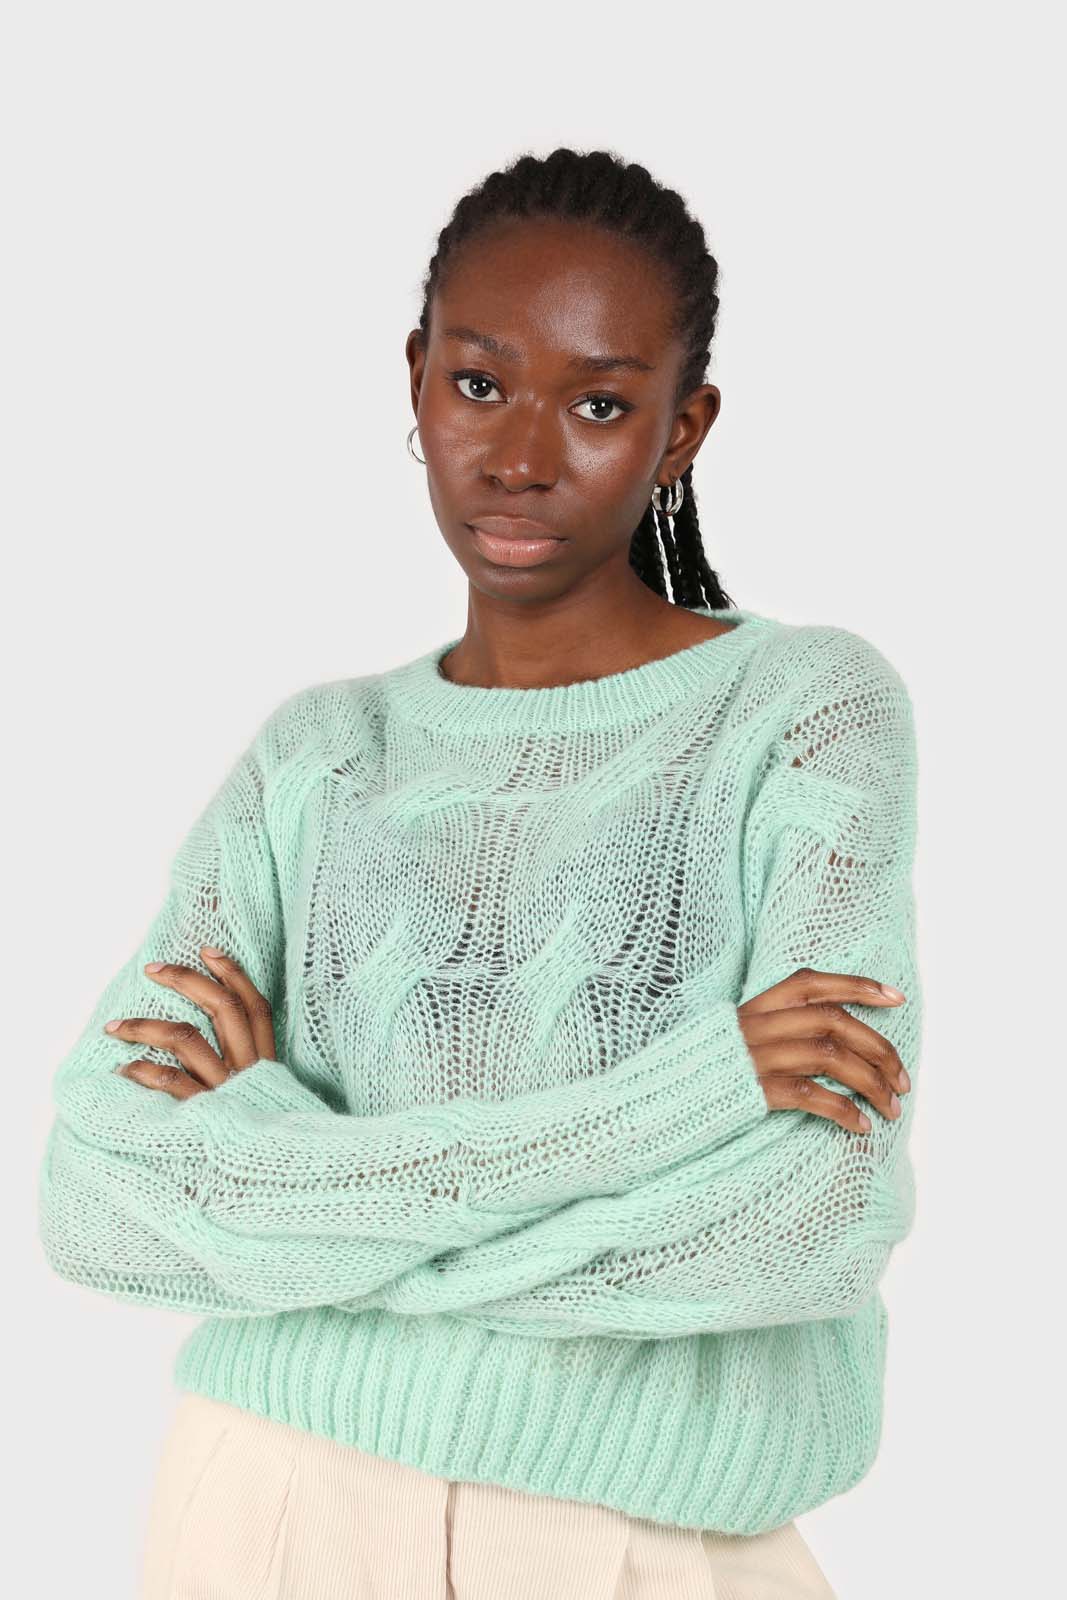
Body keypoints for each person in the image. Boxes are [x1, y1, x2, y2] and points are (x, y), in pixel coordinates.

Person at [37, 146, 921, 1599]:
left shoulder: (804, 715)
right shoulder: (319, 754)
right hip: (272, 1506)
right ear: (416, 381)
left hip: (650, 1539)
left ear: (683, 429)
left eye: (599, 404)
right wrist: (687, 1098)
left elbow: (807, 1221)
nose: (521, 457)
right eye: (478, 383)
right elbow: (97, 1196)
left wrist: (285, 1179)